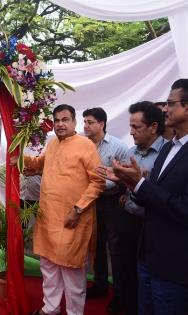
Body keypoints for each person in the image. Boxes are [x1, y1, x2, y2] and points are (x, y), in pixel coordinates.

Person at [18, 104, 105, 315]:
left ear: (74, 122)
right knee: (48, 267)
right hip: (49, 217)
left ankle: (74, 313)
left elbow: (98, 181)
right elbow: (40, 163)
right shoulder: (53, 144)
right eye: (56, 120)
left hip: (72, 217)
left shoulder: (86, 145)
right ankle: (51, 308)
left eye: (65, 119)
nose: (60, 124)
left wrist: (78, 209)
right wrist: (20, 157)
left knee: (72, 271)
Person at [111, 79, 188, 315]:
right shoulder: (168, 148)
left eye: (170, 103)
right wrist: (131, 183)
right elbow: (151, 196)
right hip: (147, 256)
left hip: (173, 264)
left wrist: (140, 183)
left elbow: (183, 209)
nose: (165, 109)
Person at [98, 101, 166, 315]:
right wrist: (120, 182)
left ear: (153, 127)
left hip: (153, 223)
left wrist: (139, 181)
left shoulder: (167, 153)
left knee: (147, 275)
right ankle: (122, 302)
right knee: (122, 265)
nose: (131, 132)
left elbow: (160, 191)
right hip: (127, 217)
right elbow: (126, 183)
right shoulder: (130, 152)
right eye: (131, 126)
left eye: (136, 127)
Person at [83, 108, 128, 314]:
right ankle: (100, 285)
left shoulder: (118, 146)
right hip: (91, 202)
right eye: (84, 122)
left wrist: (101, 185)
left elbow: (127, 178)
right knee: (96, 245)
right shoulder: (82, 145)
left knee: (116, 248)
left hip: (112, 203)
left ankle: (120, 295)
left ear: (102, 124)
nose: (85, 126)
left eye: (90, 122)